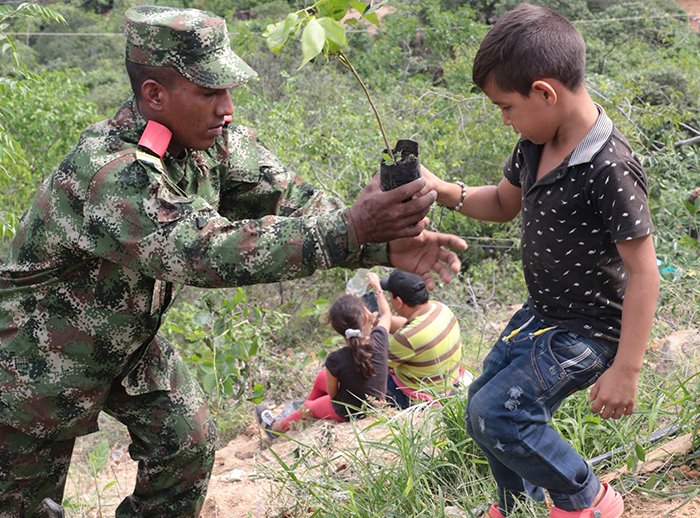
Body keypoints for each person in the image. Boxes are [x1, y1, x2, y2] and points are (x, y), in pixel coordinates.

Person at [0, 5, 468, 517]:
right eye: (208, 92)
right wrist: (352, 229)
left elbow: (290, 199)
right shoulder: (109, 172)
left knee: (188, 440)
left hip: (123, 340)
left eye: (228, 90)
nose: (227, 108)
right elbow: (202, 249)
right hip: (35, 365)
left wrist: (380, 242)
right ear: (155, 94)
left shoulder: (210, 142)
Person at [421, 4, 660, 517]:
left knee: (499, 415)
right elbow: (505, 204)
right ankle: (518, 506)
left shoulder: (609, 166)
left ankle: (588, 499)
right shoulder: (535, 143)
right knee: (483, 402)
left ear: (545, 92)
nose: (505, 119)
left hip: (590, 331)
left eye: (506, 106)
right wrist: (444, 191)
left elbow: (644, 271)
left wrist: (627, 369)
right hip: (542, 314)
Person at [257, 272, 391, 438]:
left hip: (351, 411)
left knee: (311, 407)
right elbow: (386, 314)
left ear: (336, 328)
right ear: (366, 317)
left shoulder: (336, 359)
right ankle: (301, 413)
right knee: (321, 378)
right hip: (375, 404)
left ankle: (275, 429)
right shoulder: (380, 339)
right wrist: (377, 287)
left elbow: (333, 395)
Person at [380, 269, 462, 409]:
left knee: (371, 373)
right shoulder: (441, 308)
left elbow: (378, 364)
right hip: (450, 386)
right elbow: (411, 328)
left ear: (398, 301)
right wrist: (378, 321)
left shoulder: (405, 338)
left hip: (420, 399)